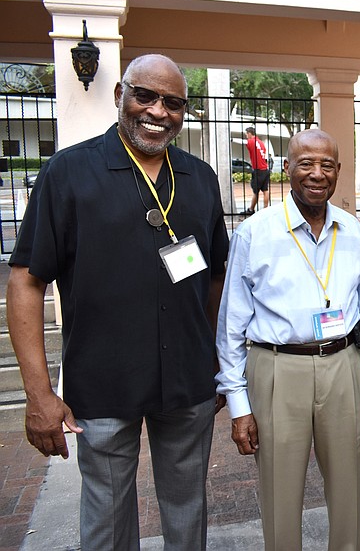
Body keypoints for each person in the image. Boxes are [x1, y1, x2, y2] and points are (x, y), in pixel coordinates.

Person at [6, 54, 229, 550]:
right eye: (144, 95)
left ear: (184, 111)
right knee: (106, 519)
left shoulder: (200, 178)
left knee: (188, 510)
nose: (157, 111)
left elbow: (215, 277)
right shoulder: (68, 172)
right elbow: (25, 280)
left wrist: (215, 359)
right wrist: (39, 395)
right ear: (119, 96)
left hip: (188, 382)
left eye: (173, 102)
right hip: (103, 381)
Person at [216, 128, 360, 551]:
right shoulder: (254, 233)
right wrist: (238, 404)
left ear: (339, 171)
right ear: (287, 168)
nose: (317, 174)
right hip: (276, 369)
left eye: (327, 165)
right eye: (305, 163)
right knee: (279, 493)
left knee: (347, 490)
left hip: (343, 365)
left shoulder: (353, 231)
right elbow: (231, 325)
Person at [241, 125, 271, 215]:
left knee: (255, 191)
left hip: (258, 170)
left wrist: (232, 140)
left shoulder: (251, 142)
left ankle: (251, 209)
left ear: (250, 134)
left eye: (246, 134)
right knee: (265, 190)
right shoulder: (261, 143)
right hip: (265, 169)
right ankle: (266, 209)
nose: (246, 136)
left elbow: (243, 142)